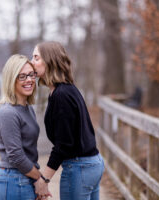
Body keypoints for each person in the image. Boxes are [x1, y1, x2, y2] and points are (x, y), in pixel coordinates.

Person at [32, 41, 105, 200]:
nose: (31, 63)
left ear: (49, 60)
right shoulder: (65, 90)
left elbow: (64, 144)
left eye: (36, 58)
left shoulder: (62, 95)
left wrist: (44, 179)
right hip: (91, 164)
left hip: (80, 168)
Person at [0, 54, 51, 200]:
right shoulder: (8, 112)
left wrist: (36, 180)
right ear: (11, 79)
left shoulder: (27, 108)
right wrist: (40, 180)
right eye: (22, 76)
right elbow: (16, 156)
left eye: (31, 75)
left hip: (26, 177)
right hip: (14, 180)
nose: (29, 80)